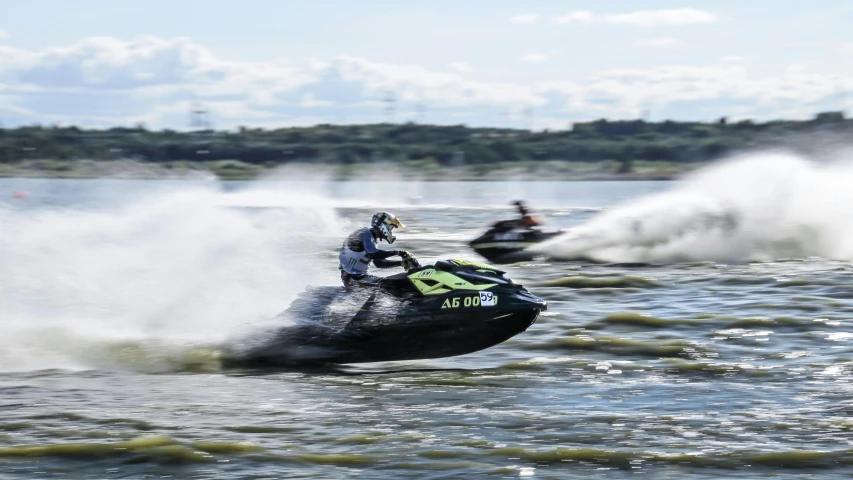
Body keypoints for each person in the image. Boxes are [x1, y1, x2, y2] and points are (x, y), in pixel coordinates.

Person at [338, 211, 414, 288]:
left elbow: (379, 263)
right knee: (394, 283)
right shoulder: (365, 233)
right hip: (355, 279)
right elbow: (372, 253)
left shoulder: (371, 239)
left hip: (357, 278)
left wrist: (401, 263)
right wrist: (398, 253)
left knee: (396, 280)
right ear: (383, 225)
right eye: (391, 229)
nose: (391, 232)